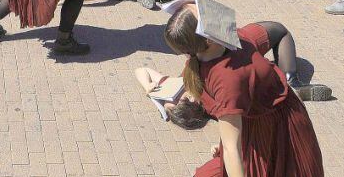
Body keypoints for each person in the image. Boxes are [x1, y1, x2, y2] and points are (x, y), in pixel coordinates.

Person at [155, 3, 326, 177]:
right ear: (208, 38)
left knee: (243, 164)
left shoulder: (236, 39)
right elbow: (232, 151)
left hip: (265, 122)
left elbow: (279, 30)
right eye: (205, 12)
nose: (213, 9)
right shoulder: (228, 80)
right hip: (275, 126)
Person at [135, 18, 331, 129]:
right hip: (240, 43)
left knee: (256, 72)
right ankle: (291, 79)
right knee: (280, 30)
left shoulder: (213, 105)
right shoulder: (189, 79)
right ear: (192, 101)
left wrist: (148, 88)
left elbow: (141, 71)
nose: (169, 106)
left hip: (235, 62)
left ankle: (282, 80)